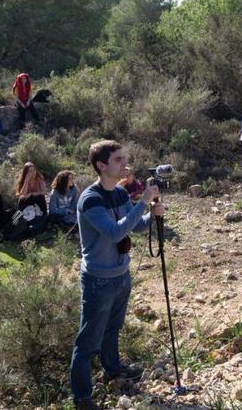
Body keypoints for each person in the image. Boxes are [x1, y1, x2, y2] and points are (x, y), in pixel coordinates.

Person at [69, 140, 163, 408]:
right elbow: (114, 232)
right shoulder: (90, 199)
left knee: (113, 328)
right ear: (101, 165)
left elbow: (133, 226)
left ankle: (112, 370)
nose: (125, 164)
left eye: (125, 158)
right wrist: (142, 202)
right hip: (98, 280)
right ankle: (82, 398)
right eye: (119, 160)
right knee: (87, 342)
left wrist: (153, 215)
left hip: (121, 275)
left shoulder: (120, 194)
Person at [15, 163, 49, 235]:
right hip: (27, 200)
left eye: (34, 170)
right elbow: (21, 194)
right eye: (30, 171)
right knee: (22, 199)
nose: (32, 173)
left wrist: (32, 193)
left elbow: (44, 192)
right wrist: (26, 181)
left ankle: (43, 217)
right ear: (26, 173)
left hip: (37, 199)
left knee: (40, 197)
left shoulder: (39, 178)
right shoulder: (22, 180)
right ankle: (22, 219)